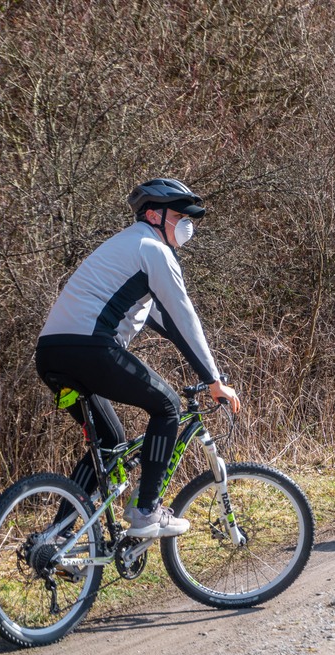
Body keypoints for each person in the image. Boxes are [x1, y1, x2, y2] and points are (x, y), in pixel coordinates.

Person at [36, 178, 241, 538]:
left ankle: (59, 537)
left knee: (109, 442)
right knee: (167, 405)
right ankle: (146, 510)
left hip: (53, 356)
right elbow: (183, 317)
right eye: (179, 215)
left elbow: (166, 323)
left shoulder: (125, 248)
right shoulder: (153, 249)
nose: (186, 224)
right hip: (90, 349)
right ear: (152, 214)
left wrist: (207, 372)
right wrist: (214, 380)